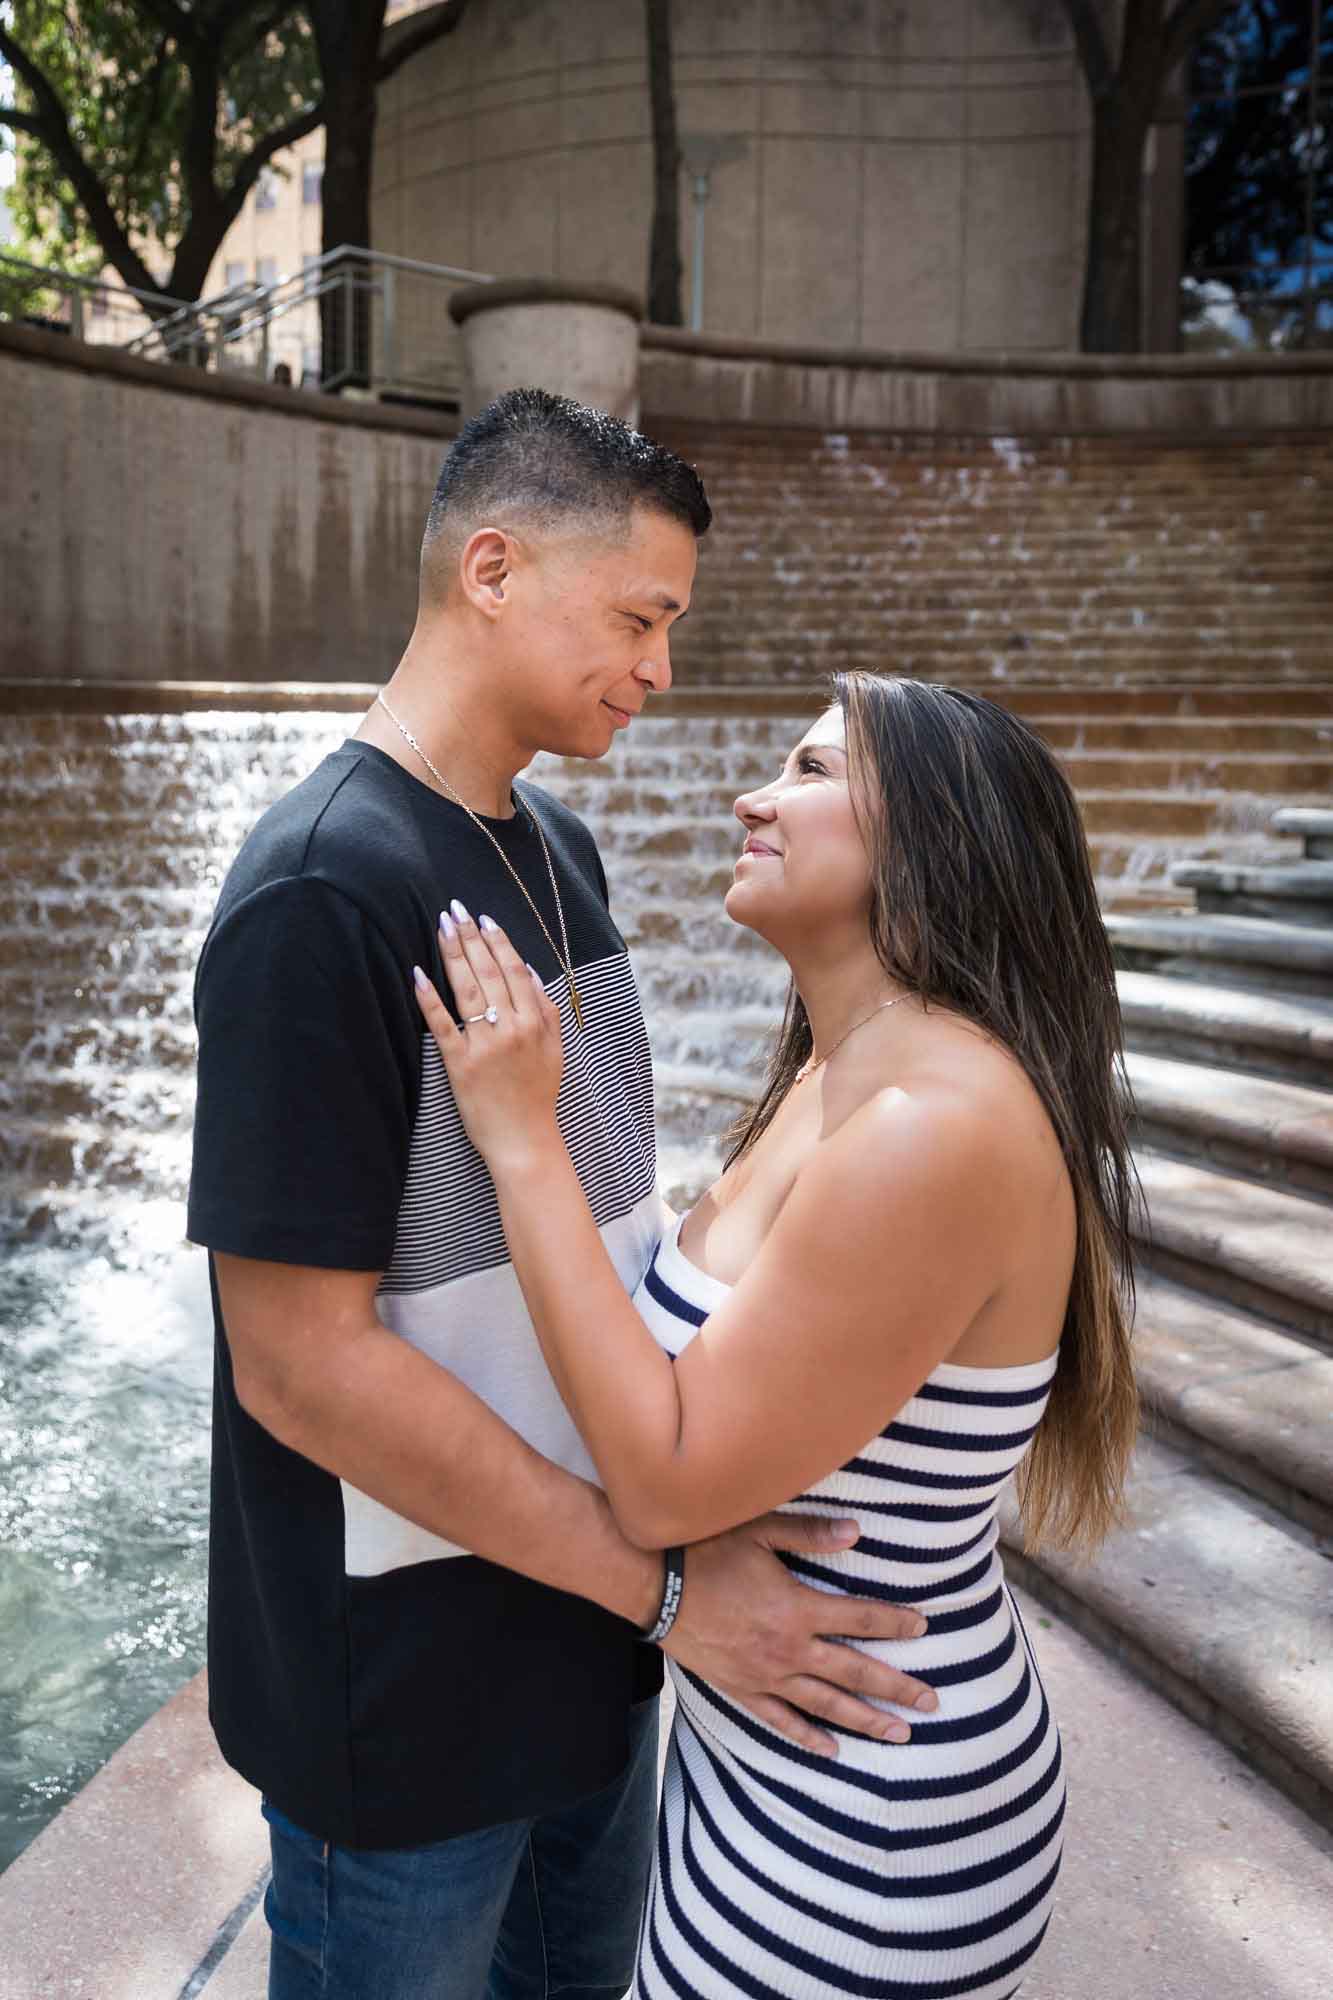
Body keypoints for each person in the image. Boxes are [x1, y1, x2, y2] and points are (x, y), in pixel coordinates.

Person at [186, 391, 940, 2000]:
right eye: (639, 617)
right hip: (404, 1707)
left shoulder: (563, 851)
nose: (660, 670)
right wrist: (664, 1586)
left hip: (592, 1660)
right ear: (491, 570)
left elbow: (597, 1233)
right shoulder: (322, 888)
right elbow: (299, 1366)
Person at [412, 670, 1140, 2000]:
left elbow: (667, 1478)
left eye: (810, 771)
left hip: (867, 1826)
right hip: (779, 1763)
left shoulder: (931, 1129)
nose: (755, 795)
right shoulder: (838, 1070)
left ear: (933, 837)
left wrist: (522, 1139)